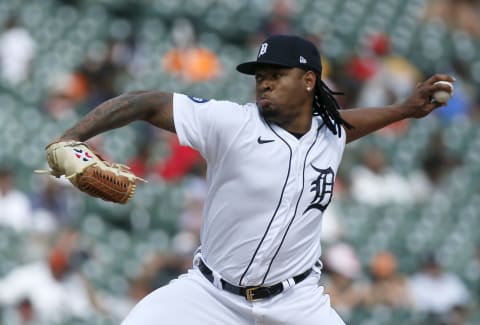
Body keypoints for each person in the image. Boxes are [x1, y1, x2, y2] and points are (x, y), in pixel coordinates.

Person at [47, 34, 455, 324]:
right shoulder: (232, 123)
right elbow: (145, 102)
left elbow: (347, 124)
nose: (264, 80)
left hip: (296, 301)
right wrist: (72, 137)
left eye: (276, 73)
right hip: (209, 296)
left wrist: (402, 110)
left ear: (309, 80)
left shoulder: (328, 132)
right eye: (260, 74)